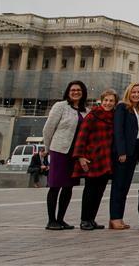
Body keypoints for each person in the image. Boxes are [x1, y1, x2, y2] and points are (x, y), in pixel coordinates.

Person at [42, 80, 89, 230]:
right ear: (68, 92)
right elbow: (48, 129)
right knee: (55, 185)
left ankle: (61, 219)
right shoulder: (60, 106)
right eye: (73, 90)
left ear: (83, 93)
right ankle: (51, 220)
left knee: (68, 187)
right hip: (59, 150)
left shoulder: (85, 111)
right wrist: (49, 148)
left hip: (75, 153)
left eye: (79, 90)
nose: (76, 92)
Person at [73, 89, 118, 231]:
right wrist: (80, 157)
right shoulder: (92, 115)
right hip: (92, 157)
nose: (108, 103)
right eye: (106, 100)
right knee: (90, 190)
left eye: (111, 101)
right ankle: (84, 219)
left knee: (100, 190)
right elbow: (82, 136)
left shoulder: (114, 117)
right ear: (101, 100)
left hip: (106, 157)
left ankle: (92, 219)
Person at [110, 82, 139, 230]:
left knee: (125, 186)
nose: (136, 95)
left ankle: (119, 217)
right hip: (124, 152)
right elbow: (118, 131)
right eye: (134, 92)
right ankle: (115, 218)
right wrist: (121, 152)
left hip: (134, 151)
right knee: (118, 186)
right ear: (128, 93)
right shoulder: (122, 108)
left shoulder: (138, 110)